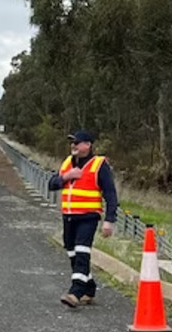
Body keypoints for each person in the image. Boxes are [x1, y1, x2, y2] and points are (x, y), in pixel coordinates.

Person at [47, 129, 119, 308]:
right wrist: (66, 177)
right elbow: (51, 184)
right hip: (69, 216)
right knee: (71, 251)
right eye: (72, 142)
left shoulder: (99, 164)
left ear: (88, 145)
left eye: (77, 142)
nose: (73, 146)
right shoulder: (67, 164)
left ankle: (76, 292)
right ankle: (89, 289)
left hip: (88, 216)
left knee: (81, 251)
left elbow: (110, 194)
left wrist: (109, 220)